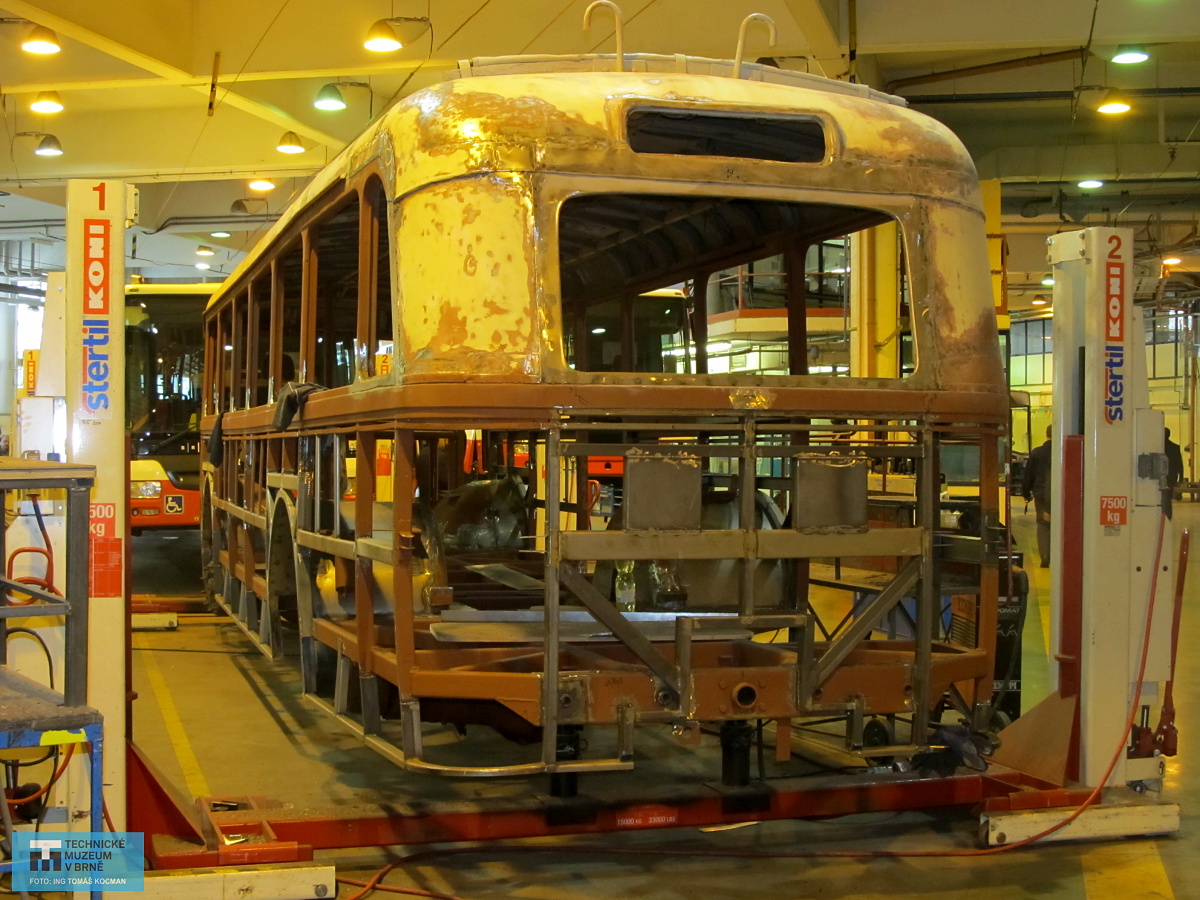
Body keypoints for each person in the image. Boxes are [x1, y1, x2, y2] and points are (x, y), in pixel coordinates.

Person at [1021, 425, 1053, 567]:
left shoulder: (1037, 453)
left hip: (1041, 493)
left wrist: (1026, 493)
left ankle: (1045, 557)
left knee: (1043, 524)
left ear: (1046, 434)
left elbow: (1028, 475)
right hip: (1061, 493)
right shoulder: (1062, 451)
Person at [1165, 427, 1184, 519]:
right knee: (1168, 498)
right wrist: (1181, 478)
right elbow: (1179, 464)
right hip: (1171, 476)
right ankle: (1168, 516)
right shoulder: (1175, 447)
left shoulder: (1157, 447)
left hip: (1161, 476)